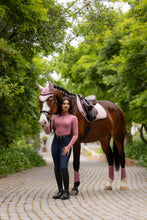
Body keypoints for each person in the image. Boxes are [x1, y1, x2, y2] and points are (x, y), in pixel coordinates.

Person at [42, 97, 78, 200]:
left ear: (69, 106)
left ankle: (66, 191)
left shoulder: (73, 118)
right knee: (57, 168)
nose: (66, 105)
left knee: (63, 167)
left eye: (67, 104)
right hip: (56, 142)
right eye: (64, 103)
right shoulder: (54, 117)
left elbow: (75, 135)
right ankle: (60, 191)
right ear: (61, 105)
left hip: (66, 142)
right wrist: (44, 125)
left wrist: (68, 146)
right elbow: (48, 131)